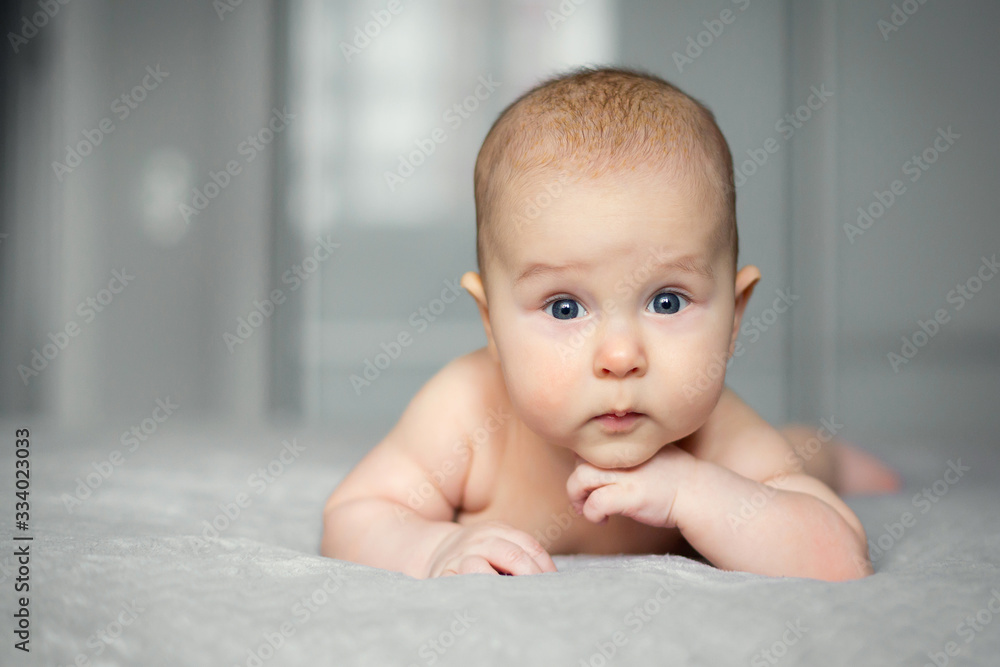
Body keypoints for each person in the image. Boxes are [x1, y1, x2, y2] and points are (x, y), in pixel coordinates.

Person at [321, 66, 899, 580]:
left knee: (799, 457)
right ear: (491, 324)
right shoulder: (468, 411)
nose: (620, 356)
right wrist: (436, 546)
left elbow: (837, 559)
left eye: (667, 302)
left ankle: (831, 455)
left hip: (771, 453)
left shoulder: (714, 431)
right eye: (565, 308)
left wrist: (691, 491)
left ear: (734, 316)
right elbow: (358, 512)